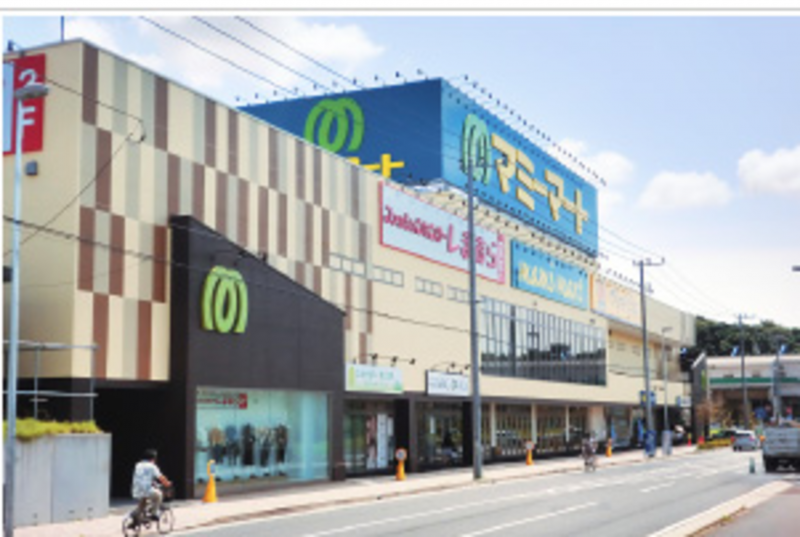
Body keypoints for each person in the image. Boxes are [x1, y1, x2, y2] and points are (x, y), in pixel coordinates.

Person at [131, 449, 172, 522]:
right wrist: (167, 483)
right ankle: (154, 513)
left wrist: (152, 483)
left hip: (136, 489)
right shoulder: (152, 466)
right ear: (153, 458)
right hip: (146, 489)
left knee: (143, 502)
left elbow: (143, 477)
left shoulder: (138, 465)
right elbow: (160, 477)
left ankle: (136, 515)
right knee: (159, 495)